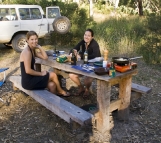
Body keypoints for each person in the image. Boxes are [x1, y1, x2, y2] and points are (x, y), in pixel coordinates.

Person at [20, 31, 70, 97]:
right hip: (28, 82)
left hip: (31, 79)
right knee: (53, 75)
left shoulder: (32, 50)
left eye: (36, 39)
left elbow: (45, 57)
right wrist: (40, 73)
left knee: (52, 85)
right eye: (32, 39)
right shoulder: (27, 52)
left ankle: (53, 101)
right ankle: (60, 91)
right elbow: (28, 70)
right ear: (27, 40)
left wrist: (39, 47)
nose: (34, 41)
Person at [69, 29, 101, 98]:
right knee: (72, 75)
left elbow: (94, 55)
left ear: (92, 37)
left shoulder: (95, 44)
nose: (86, 37)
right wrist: (73, 53)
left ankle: (87, 89)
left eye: (89, 36)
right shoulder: (83, 42)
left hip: (95, 65)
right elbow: (74, 48)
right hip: (85, 63)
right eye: (85, 35)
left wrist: (81, 56)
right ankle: (81, 88)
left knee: (86, 80)